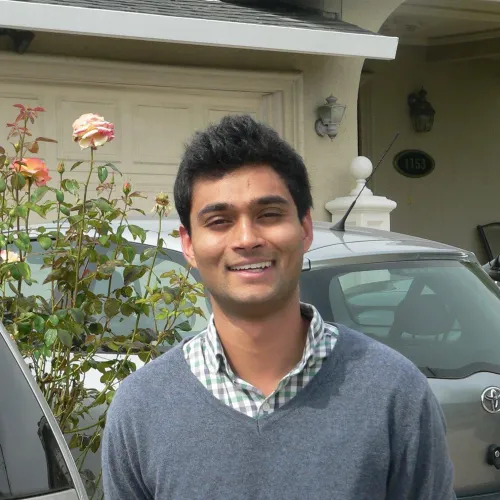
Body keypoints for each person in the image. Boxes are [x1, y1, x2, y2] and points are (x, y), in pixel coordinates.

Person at [102, 115, 456, 499]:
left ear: (305, 229)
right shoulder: (141, 408)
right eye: (219, 221)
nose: (246, 239)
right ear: (188, 244)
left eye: (268, 215)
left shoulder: (395, 393)